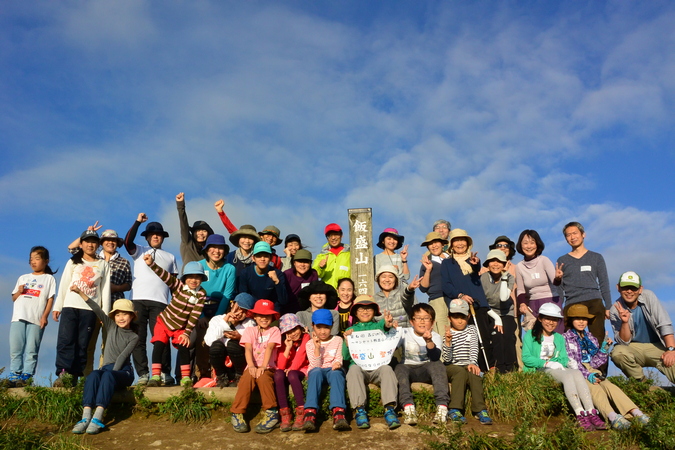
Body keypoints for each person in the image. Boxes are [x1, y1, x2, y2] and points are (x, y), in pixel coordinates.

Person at [563, 303, 649, 430]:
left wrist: (604, 350)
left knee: (610, 386)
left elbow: (594, 363)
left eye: (584, 319)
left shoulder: (590, 337)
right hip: (576, 371)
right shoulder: (565, 338)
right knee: (595, 389)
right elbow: (571, 363)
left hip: (591, 369)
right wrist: (588, 375)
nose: (581, 322)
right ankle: (613, 417)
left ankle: (638, 414)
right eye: (577, 318)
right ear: (571, 320)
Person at [521, 302, 605, 431]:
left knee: (576, 373)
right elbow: (526, 358)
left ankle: (591, 412)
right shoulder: (530, 335)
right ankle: (579, 414)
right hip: (539, 369)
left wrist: (568, 362)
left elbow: (563, 357)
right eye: (548, 318)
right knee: (567, 376)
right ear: (540, 318)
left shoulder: (559, 338)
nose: (551, 322)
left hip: (556, 368)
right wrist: (546, 363)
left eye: (555, 320)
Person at [69, 289, 139, 435]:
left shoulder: (133, 337)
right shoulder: (111, 326)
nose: (121, 318)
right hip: (107, 369)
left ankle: (97, 418)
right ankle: (86, 417)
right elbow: (96, 308)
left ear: (132, 316)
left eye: (125, 314)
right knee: (94, 374)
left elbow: (121, 357)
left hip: (123, 371)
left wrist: (110, 373)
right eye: (118, 314)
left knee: (106, 375)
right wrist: (80, 293)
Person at [125, 214, 178, 386]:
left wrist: (176, 305)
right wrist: (138, 222)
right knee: (138, 338)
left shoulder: (170, 257)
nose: (155, 236)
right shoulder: (139, 251)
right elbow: (127, 241)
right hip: (138, 300)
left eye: (159, 234)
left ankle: (164, 372)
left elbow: (174, 284)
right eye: (152, 234)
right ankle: (143, 374)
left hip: (161, 302)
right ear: (147, 237)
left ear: (162, 237)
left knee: (162, 338)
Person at [53, 230, 111, 387]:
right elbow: (64, 284)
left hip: (90, 309)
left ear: (98, 245)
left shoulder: (103, 264)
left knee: (83, 343)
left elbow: (105, 290)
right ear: (81, 244)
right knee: (66, 340)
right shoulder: (73, 262)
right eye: (87, 241)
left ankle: (75, 376)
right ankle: (63, 373)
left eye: (94, 242)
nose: (90, 244)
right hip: (70, 306)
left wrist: (103, 314)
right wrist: (58, 306)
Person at [441, 229, 503, 371]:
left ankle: (489, 369)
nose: (460, 243)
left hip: (477, 304)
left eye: (463, 240)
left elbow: (476, 269)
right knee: (463, 339)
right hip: (458, 306)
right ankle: (467, 369)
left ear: (468, 243)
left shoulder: (473, 259)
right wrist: (460, 295)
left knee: (483, 337)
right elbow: (446, 285)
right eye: (456, 240)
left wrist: (475, 264)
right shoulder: (447, 263)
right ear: (451, 244)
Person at [144, 255, 206, 387]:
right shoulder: (178, 285)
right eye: (190, 277)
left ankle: (185, 378)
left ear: (201, 279)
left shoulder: (201, 294)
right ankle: (155, 376)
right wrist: (151, 264)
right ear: (185, 278)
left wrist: (187, 333)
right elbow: (165, 276)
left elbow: (195, 315)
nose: (194, 280)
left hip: (181, 328)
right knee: (159, 345)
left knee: (184, 347)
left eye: (197, 277)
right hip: (164, 322)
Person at [342, 296, 400, 430]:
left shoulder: (378, 327)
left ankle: (389, 409)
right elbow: (345, 357)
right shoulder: (350, 331)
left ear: (374, 311)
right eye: (361, 309)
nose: (365, 312)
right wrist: (347, 342)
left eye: (369, 309)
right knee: (353, 370)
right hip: (360, 368)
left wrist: (387, 323)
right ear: (355, 313)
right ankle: (359, 410)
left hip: (378, 367)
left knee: (387, 369)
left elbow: (385, 327)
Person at [609, 271, 675, 384]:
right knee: (618, 353)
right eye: (625, 288)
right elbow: (623, 342)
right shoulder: (614, 310)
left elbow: (664, 324)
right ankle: (642, 385)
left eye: (633, 288)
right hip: (633, 347)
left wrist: (671, 350)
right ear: (618, 288)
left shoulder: (649, 296)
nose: (629, 291)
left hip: (658, 346)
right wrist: (625, 322)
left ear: (640, 289)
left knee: (672, 361)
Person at [555, 222, 612, 346]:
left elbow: (604, 282)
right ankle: (574, 366)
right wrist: (559, 307)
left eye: (575, 233)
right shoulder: (562, 260)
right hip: (572, 302)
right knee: (569, 340)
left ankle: (598, 366)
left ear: (583, 234)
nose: (572, 237)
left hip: (594, 301)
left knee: (598, 339)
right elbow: (559, 288)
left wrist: (608, 306)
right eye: (568, 235)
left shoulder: (596, 257)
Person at [230, 299, 282, 434]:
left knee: (264, 378)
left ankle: (271, 412)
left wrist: (263, 367)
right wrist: (252, 366)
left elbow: (270, 348)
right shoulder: (249, 330)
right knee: (246, 378)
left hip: (268, 367)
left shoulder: (275, 330)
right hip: (252, 366)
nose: (264, 318)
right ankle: (237, 412)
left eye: (267, 316)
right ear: (255, 316)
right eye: (260, 315)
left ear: (272, 317)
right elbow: (248, 349)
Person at [8, 246, 57, 387]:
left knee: (31, 350)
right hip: (18, 317)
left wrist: (44, 316)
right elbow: (13, 298)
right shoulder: (23, 278)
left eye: (37, 258)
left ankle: (26, 377)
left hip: (36, 319)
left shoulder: (49, 279)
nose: (33, 262)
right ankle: (14, 376)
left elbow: (50, 299)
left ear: (46, 261)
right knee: (16, 348)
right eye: (31, 259)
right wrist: (19, 291)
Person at [396, 304, 450, 426]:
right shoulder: (404, 333)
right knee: (399, 368)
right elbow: (392, 347)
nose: (422, 321)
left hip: (426, 369)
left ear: (432, 322)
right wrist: (392, 332)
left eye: (426, 318)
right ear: (411, 321)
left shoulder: (435, 336)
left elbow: (435, 357)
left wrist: (428, 341)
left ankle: (442, 407)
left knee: (438, 365)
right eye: (418, 318)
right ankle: (408, 408)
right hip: (408, 368)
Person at [441, 299, 493, 425]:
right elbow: (447, 359)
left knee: (474, 373)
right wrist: (448, 342)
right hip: (452, 366)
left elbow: (474, 348)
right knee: (460, 372)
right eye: (455, 317)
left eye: (463, 317)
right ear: (449, 318)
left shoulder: (472, 329)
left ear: (468, 316)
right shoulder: (448, 333)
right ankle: (455, 409)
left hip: (468, 363)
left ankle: (480, 409)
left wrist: (473, 363)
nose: (459, 321)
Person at [194, 234, 236, 381]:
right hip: (200, 307)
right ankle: (202, 375)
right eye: (213, 248)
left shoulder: (229, 268)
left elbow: (228, 293)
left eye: (220, 248)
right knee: (201, 341)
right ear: (206, 250)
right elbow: (193, 291)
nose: (216, 251)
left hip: (221, 308)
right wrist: (200, 316)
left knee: (221, 340)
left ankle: (220, 374)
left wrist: (217, 319)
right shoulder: (199, 265)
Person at [302, 309, 349, 431]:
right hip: (317, 369)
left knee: (337, 374)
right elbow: (315, 364)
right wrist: (317, 347)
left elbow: (338, 358)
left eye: (326, 327)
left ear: (332, 326)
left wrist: (338, 364)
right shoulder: (309, 344)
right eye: (319, 327)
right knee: (316, 372)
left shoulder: (338, 340)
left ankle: (339, 412)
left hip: (332, 368)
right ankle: (310, 413)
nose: (323, 331)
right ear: (313, 326)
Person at [515, 229, 563, 333]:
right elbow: (520, 290)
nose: (529, 246)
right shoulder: (519, 266)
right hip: (533, 304)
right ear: (520, 245)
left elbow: (555, 281)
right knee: (536, 336)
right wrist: (522, 304)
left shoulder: (544, 260)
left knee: (555, 334)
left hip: (551, 300)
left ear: (537, 244)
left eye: (532, 242)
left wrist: (558, 278)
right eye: (526, 243)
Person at [204, 292, 256, 388]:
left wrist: (240, 337)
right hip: (221, 362)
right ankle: (221, 377)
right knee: (216, 345)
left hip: (240, 362)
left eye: (244, 311)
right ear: (232, 304)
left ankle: (239, 377)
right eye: (239, 308)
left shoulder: (250, 323)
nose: (240, 313)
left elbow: (253, 342)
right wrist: (225, 322)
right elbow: (209, 341)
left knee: (233, 344)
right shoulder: (217, 319)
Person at [480, 250, 517, 373]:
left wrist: (505, 276)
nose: (495, 264)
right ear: (488, 264)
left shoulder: (510, 277)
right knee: (496, 336)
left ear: (504, 264)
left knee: (508, 336)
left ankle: (511, 369)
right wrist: (497, 319)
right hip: (489, 312)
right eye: (492, 261)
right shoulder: (483, 278)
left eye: (499, 262)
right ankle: (499, 368)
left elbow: (503, 297)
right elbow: (482, 302)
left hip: (506, 312)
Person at [275, 313, 310, 432]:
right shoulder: (284, 343)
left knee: (292, 375)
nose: (293, 333)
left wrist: (292, 369)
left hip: (301, 369)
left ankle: (301, 410)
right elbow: (280, 365)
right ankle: (285, 412)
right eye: (288, 331)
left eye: (294, 329)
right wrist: (288, 348)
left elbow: (301, 355)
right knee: (278, 374)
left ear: (300, 327)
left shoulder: (306, 337)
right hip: (287, 370)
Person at [236, 241, 287, 313]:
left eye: (266, 256)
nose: (262, 259)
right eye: (259, 256)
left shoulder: (278, 274)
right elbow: (243, 298)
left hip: (272, 312)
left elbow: (283, 301)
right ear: (253, 258)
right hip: (252, 310)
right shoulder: (245, 273)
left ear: (270, 258)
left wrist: (277, 282)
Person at [418, 232, 450, 335]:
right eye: (430, 244)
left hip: (455, 298)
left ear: (442, 244)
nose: (434, 246)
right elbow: (423, 288)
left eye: (436, 242)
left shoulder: (452, 259)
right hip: (437, 300)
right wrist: (428, 270)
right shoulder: (426, 263)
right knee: (442, 331)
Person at [176, 192, 214, 266]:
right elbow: (184, 225)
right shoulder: (188, 243)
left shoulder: (211, 251)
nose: (201, 233)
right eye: (197, 231)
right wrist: (180, 205)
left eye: (204, 231)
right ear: (193, 233)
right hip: (189, 276)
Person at [313, 223, 350, 289]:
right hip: (327, 294)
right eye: (330, 235)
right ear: (327, 238)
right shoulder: (321, 255)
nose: (333, 238)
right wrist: (320, 267)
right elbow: (315, 275)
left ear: (341, 235)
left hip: (345, 294)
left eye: (336, 234)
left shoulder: (350, 253)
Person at [283, 249, 319, 314]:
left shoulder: (313, 274)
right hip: (288, 310)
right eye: (299, 261)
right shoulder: (287, 274)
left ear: (310, 263)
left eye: (305, 262)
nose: (302, 265)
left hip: (306, 310)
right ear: (294, 263)